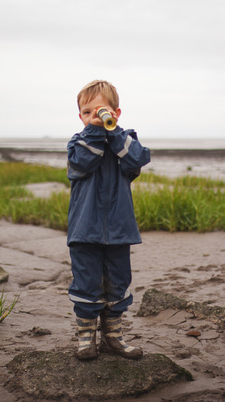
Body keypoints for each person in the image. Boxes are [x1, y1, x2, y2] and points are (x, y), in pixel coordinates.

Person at [66, 80, 151, 360]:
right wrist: (94, 130)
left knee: (118, 281)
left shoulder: (125, 142)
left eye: (101, 110)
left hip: (119, 230)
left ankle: (113, 337)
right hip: (84, 230)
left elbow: (137, 160)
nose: (95, 115)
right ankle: (85, 337)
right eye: (87, 112)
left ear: (116, 111)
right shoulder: (78, 143)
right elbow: (84, 162)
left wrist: (113, 132)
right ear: (80, 117)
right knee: (86, 283)